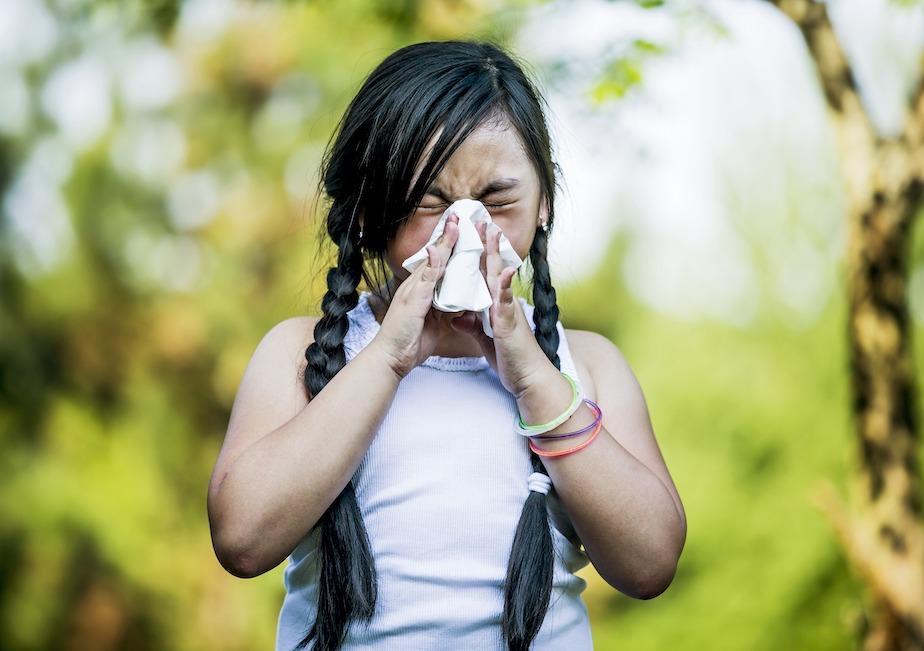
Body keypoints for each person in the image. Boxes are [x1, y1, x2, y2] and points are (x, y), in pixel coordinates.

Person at [206, 40, 687, 651]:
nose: (465, 232)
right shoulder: (301, 354)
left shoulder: (585, 364)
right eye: (428, 203)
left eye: (497, 202)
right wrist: (387, 358)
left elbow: (650, 564)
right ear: (367, 214)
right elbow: (243, 540)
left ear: (545, 206)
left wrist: (534, 381)